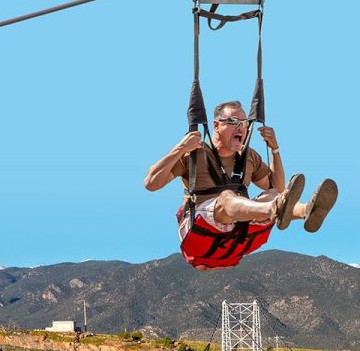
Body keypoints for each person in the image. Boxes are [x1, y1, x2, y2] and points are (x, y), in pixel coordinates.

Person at [144, 100, 338, 270]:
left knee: (272, 195)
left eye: (244, 123)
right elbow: (151, 183)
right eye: (233, 122)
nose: (241, 128)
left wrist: (275, 149)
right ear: (216, 125)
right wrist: (180, 148)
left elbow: (277, 188)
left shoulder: (249, 157)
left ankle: (306, 210)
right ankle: (276, 209)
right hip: (199, 231)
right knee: (228, 197)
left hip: (237, 234)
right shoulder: (194, 154)